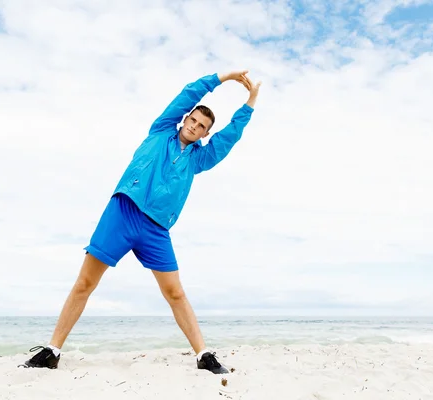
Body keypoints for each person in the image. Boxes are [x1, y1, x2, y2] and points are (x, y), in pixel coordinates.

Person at [22, 70, 261, 374]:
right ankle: (52, 351)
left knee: (175, 293)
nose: (195, 126)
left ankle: (203, 355)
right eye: (193, 120)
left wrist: (251, 101)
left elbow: (231, 135)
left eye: (202, 127)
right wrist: (223, 78)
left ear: (204, 134)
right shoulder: (161, 130)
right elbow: (189, 92)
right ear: (185, 119)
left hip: (156, 230)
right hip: (122, 212)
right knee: (85, 283)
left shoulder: (200, 159)